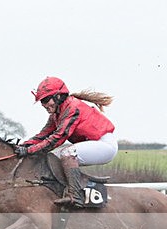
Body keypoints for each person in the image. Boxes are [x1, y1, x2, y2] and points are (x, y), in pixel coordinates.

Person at [14, 76, 117, 208]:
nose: (44, 105)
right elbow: (42, 135)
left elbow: (57, 138)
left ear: (58, 97)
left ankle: (76, 196)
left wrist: (29, 151)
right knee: (52, 157)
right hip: (91, 144)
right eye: (42, 102)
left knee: (67, 153)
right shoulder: (57, 113)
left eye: (45, 100)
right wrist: (22, 145)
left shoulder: (72, 108)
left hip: (105, 146)